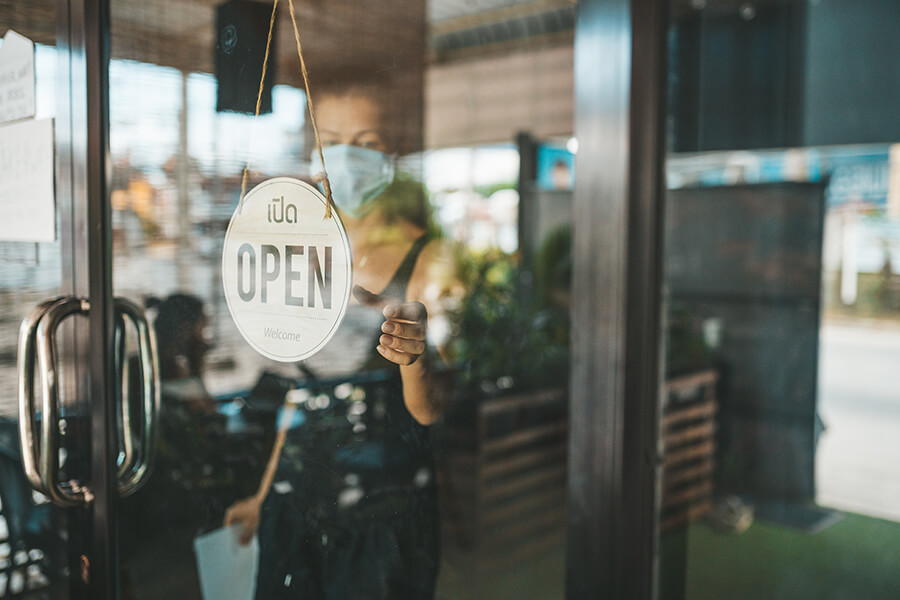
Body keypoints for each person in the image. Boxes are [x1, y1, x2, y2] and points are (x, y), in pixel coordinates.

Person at [224, 78, 456, 600]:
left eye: (367, 142)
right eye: (332, 141)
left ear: (393, 152)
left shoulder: (426, 259)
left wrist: (412, 358)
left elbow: (430, 410)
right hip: (299, 510)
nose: (347, 157)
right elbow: (298, 391)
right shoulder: (307, 254)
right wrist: (263, 497)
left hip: (381, 520)